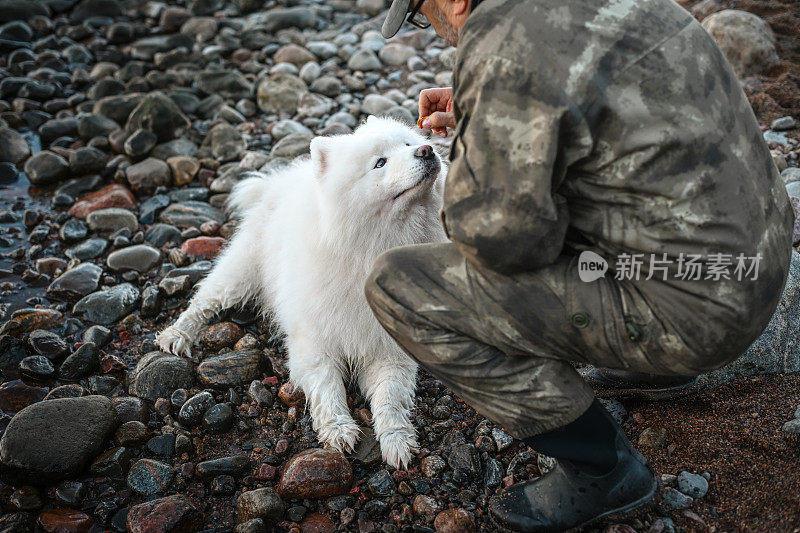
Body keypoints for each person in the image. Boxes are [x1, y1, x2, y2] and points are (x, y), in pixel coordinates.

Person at [365, 0, 795, 531]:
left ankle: (602, 469)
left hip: (697, 313)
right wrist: (494, 110)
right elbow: (611, 89)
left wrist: (482, 143)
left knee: (398, 287)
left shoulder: (501, 37)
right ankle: (652, 368)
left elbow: (500, 244)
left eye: (420, 14)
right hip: (762, 259)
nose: (432, 29)